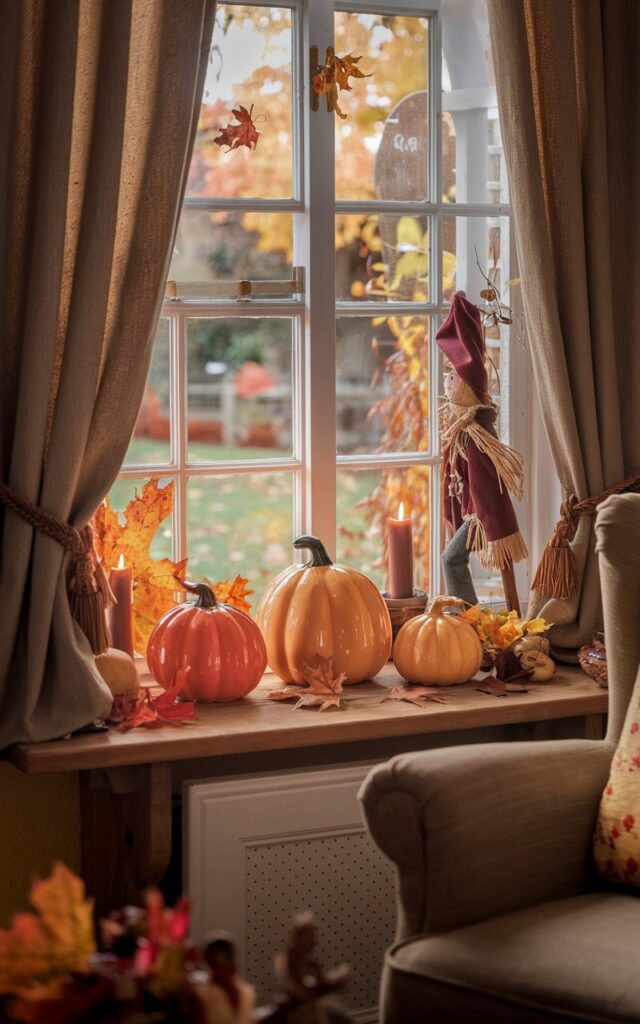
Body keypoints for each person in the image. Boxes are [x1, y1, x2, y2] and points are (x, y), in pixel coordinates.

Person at [436, 291, 527, 606]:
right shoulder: (463, 431)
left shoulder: (474, 435)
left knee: (451, 558)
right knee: (454, 558)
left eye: (452, 377)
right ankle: (470, 617)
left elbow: (485, 482)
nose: (447, 383)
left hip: (479, 513)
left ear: (466, 387)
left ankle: (466, 619)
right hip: (471, 511)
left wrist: (478, 516)